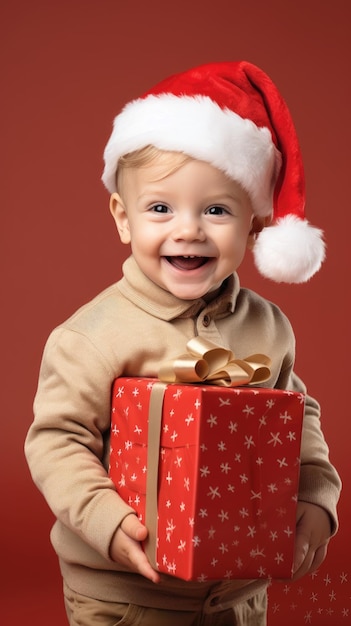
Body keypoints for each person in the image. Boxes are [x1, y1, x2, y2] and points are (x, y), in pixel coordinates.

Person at [25, 61, 341, 626]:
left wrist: (317, 495)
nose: (189, 229)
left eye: (216, 210)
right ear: (123, 218)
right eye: (160, 208)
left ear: (254, 227)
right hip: (126, 594)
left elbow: (299, 417)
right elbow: (56, 441)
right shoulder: (92, 336)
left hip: (239, 591)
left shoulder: (269, 327)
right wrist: (108, 521)